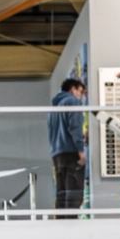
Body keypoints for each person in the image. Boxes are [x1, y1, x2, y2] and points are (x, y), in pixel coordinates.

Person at [48, 76, 88, 213]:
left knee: (62, 193)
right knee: (74, 194)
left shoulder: (54, 108)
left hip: (57, 154)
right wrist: (81, 151)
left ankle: (61, 225)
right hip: (71, 154)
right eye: (80, 92)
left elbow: (56, 132)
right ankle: (72, 227)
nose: (81, 96)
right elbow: (74, 128)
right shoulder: (72, 102)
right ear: (73, 89)